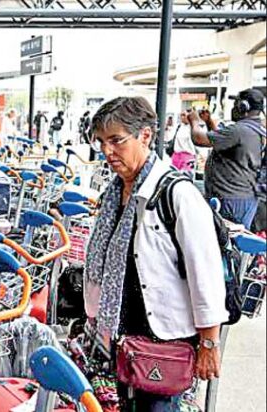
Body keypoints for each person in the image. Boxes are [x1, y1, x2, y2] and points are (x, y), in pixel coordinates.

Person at [84, 96, 227, 410]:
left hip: (165, 341)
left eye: (117, 141)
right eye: (102, 142)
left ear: (145, 136)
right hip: (123, 337)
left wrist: (209, 342)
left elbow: (206, 274)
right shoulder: (113, 195)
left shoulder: (178, 194)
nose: (108, 152)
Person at [187, 88, 265, 229]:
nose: (233, 108)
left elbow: (199, 138)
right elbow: (221, 142)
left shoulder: (239, 130)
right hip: (242, 198)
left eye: (236, 104)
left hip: (230, 200)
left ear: (243, 107)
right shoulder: (253, 129)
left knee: (225, 243)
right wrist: (209, 122)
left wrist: (194, 121)